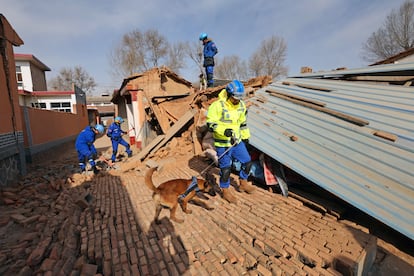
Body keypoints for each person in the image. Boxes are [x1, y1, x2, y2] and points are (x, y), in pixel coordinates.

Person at [206, 80, 255, 203]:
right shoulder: (217, 106)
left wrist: (245, 136)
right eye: (235, 98)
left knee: (247, 162)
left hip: (237, 142)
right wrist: (224, 131)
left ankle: (243, 183)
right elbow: (211, 124)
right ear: (228, 94)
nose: (237, 101)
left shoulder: (242, 105)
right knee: (226, 169)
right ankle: (225, 190)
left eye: (239, 98)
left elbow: (242, 123)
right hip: (223, 143)